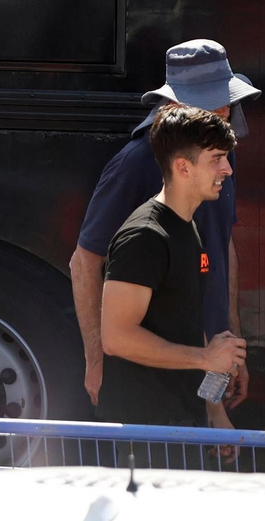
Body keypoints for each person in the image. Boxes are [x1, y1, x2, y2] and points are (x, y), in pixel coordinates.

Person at [72, 39, 261, 420]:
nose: (225, 111)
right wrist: (96, 360)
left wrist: (231, 342)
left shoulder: (220, 156)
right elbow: (85, 262)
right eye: (212, 102)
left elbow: (221, 245)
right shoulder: (135, 164)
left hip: (207, 364)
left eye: (227, 101)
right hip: (152, 381)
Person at [99, 106, 247, 430]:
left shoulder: (188, 226)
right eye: (216, 159)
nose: (227, 169)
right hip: (143, 431)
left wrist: (214, 411)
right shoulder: (145, 236)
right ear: (183, 167)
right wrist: (205, 358)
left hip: (180, 423)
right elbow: (115, 338)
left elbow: (189, 323)